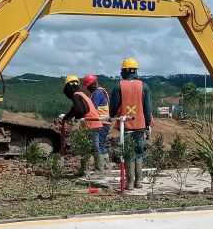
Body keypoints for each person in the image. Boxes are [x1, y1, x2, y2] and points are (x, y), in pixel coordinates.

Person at [110, 57, 152, 189]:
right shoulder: (144, 86)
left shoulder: (118, 86)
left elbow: (113, 108)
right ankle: (138, 181)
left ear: (124, 71)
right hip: (140, 125)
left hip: (126, 126)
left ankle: (129, 183)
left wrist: (112, 116)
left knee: (128, 152)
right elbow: (148, 109)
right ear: (135, 71)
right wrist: (148, 124)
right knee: (139, 152)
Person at [60, 76, 103, 167]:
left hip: (90, 123)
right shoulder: (81, 94)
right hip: (94, 123)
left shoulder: (76, 95)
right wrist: (67, 117)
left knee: (89, 146)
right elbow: (74, 110)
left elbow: (80, 110)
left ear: (68, 87)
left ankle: (97, 168)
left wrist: (75, 118)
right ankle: (94, 167)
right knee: (93, 146)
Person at [81, 74, 110, 172]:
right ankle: (105, 166)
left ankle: (100, 169)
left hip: (101, 123)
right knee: (101, 144)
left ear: (92, 84)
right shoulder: (101, 91)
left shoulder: (97, 93)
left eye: (88, 86)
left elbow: (91, 108)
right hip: (104, 123)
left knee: (98, 145)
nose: (87, 88)